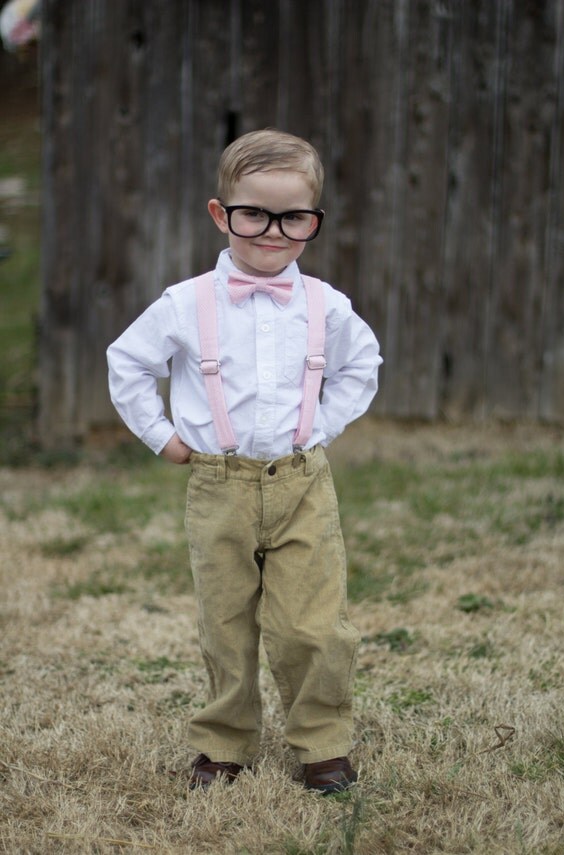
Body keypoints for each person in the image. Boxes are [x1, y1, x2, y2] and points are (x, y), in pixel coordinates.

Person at [107, 128, 382, 793]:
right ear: (220, 213)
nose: (272, 231)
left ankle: (322, 744)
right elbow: (128, 363)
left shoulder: (325, 306)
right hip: (217, 483)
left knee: (313, 624)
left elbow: (361, 365)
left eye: (294, 217)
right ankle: (224, 743)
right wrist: (162, 435)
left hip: (301, 483)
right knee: (225, 622)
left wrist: (320, 423)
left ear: (313, 220)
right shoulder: (185, 303)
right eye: (253, 212)